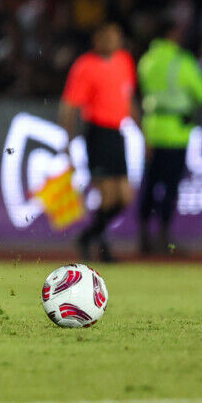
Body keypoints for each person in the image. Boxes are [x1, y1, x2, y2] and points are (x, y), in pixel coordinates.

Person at [60, 22, 139, 262]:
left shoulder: (125, 61)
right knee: (107, 195)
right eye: (107, 36)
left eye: (116, 36)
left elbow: (129, 99)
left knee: (125, 196)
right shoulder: (85, 65)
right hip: (97, 132)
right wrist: (67, 142)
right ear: (97, 39)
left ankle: (88, 236)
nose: (112, 41)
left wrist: (141, 131)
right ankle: (103, 248)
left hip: (117, 133)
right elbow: (69, 106)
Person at [137, 18, 202, 254]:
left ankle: (143, 238)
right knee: (169, 187)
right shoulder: (182, 60)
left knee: (149, 184)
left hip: (150, 129)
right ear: (171, 34)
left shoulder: (146, 59)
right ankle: (164, 239)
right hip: (176, 132)